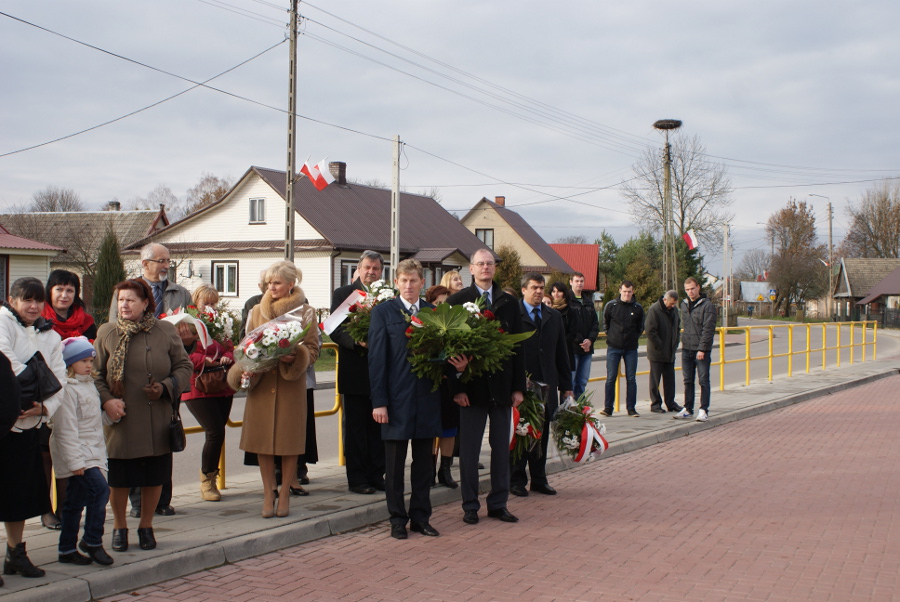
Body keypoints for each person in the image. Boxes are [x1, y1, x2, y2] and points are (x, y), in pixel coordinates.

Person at [369, 259, 468, 539]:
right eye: (404, 281)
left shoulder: (434, 313)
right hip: (396, 401)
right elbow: (376, 361)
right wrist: (379, 402)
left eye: (414, 281)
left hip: (428, 400)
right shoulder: (384, 313)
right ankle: (397, 520)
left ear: (422, 283)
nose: (409, 286)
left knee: (425, 464)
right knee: (395, 465)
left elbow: (442, 357)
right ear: (396, 283)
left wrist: (457, 367)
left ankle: (420, 517)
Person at [94, 278, 192, 552]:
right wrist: (107, 401)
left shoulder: (164, 331)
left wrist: (165, 387)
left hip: (155, 417)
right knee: (120, 479)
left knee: (153, 476)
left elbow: (184, 366)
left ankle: (146, 526)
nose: (124, 305)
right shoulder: (107, 332)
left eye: (130, 300)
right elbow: (95, 374)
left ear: (146, 303)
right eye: (121, 300)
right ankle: (119, 527)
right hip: (121, 419)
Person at [226, 260, 319, 518]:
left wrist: (295, 356)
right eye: (269, 282)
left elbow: (313, 351)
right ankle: (269, 493)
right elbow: (246, 345)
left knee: (289, 443)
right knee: (262, 442)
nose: (271, 287)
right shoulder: (256, 310)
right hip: (262, 383)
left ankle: (286, 493)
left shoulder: (307, 313)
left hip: (290, 387)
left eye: (277, 282)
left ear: (291, 284)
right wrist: (247, 365)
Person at [112, 243, 191, 518]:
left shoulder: (179, 292)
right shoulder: (127, 291)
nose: (166, 265)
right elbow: (116, 332)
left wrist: (189, 336)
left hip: (166, 378)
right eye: (161, 260)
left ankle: (162, 500)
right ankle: (137, 503)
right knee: (132, 447)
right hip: (132, 384)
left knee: (163, 440)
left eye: (169, 260)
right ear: (145, 264)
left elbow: (188, 346)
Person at [447, 248, 526, 525]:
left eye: (489, 264)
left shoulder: (509, 302)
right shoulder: (458, 301)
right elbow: (448, 349)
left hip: (502, 388)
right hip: (470, 389)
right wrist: (456, 389)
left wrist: (518, 388)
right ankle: (470, 505)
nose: (485, 268)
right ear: (471, 269)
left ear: (495, 268)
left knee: (500, 449)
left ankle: (498, 503)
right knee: (469, 451)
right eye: (480, 264)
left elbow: (517, 348)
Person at [0, 277, 67, 580]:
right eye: (26, 299)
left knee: (21, 495)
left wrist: (45, 407)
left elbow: (61, 380)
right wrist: (35, 390)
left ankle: (16, 554)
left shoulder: (51, 336)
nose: (33, 306)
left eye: (38, 300)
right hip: (2, 422)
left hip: (29, 424)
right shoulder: (2, 322)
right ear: (11, 300)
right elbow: (7, 363)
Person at [49, 337, 114, 566]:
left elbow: (92, 419)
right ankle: (92, 540)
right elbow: (65, 429)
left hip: (92, 450)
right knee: (100, 491)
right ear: (70, 363)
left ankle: (66, 549)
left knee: (75, 502)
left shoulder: (88, 385)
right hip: (79, 455)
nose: (89, 365)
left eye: (90, 360)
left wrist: (109, 416)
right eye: (83, 360)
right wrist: (75, 462)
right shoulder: (66, 390)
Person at [40, 269, 96, 530]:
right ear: (49, 291)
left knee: (70, 455)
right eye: (59, 289)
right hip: (45, 394)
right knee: (45, 456)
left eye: (70, 290)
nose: (64, 295)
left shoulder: (86, 321)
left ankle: (66, 509)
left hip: (75, 395)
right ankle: (45, 509)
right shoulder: (39, 320)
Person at [330, 250, 387, 495]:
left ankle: (377, 475)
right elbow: (333, 329)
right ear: (359, 268)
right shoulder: (345, 294)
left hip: (382, 373)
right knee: (355, 429)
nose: (371, 272)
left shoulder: (387, 296)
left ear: (381, 271)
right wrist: (356, 342)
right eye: (367, 267)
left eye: (376, 268)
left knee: (379, 427)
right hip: (355, 370)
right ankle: (357, 479)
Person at [511, 274, 572, 497]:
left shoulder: (553, 316)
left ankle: (539, 479)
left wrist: (566, 385)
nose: (538, 291)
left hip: (547, 384)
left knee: (541, 433)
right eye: (534, 287)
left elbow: (561, 352)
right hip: (522, 384)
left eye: (541, 288)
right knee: (521, 431)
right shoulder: (513, 315)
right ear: (524, 290)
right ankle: (516, 479)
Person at [181, 285, 234, 502]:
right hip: (199, 385)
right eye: (206, 302)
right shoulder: (186, 322)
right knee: (214, 431)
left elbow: (229, 344)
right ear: (197, 302)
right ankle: (207, 480)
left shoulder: (219, 322)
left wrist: (228, 355)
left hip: (221, 383)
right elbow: (182, 352)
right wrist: (205, 360)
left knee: (218, 431)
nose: (210, 307)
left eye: (214, 303)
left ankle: (211, 477)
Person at [424, 285, 458, 489]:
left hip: (449, 383)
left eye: (445, 304)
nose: (441, 308)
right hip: (429, 382)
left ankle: (445, 470)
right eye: (437, 304)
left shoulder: (455, 325)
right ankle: (428, 471)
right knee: (430, 428)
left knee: (449, 427)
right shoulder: (424, 324)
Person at [674, 277, 718, 422]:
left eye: (692, 288)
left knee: (703, 380)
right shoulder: (684, 304)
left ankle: (704, 410)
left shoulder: (707, 306)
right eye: (687, 290)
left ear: (698, 287)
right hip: (687, 348)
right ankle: (687, 408)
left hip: (701, 350)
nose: (690, 292)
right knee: (688, 380)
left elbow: (708, 329)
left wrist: (702, 349)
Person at [602, 281, 645, 417]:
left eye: (629, 291)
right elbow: (606, 324)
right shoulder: (611, 306)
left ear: (633, 292)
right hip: (613, 347)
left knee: (631, 379)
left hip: (631, 348)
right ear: (620, 291)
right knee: (611, 378)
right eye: (625, 291)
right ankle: (608, 408)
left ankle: (631, 408)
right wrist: (612, 336)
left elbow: (640, 327)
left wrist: (633, 338)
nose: (627, 294)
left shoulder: (638, 308)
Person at [645, 291, 684, 414]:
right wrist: (660, 345)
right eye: (671, 303)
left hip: (670, 351)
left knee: (670, 379)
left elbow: (677, 328)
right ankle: (655, 404)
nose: (673, 306)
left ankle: (671, 403)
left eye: (674, 304)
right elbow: (650, 330)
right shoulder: (654, 310)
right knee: (655, 379)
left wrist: (676, 342)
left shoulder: (674, 311)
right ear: (665, 300)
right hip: (657, 352)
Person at [569, 272, 599, 399]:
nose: (579, 283)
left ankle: (580, 410)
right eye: (577, 281)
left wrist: (590, 341)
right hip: (573, 349)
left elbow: (595, 325)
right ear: (571, 282)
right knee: (571, 382)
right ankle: (568, 410)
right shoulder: (568, 301)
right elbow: (568, 326)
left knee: (582, 382)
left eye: (581, 281)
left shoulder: (588, 303)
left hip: (587, 350)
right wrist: (581, 341)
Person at [549, 281, 582, 377]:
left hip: (566, 351)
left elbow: (573, 332)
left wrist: (560, 343)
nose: (556, 294)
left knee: (567, 384)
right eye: (553, 291)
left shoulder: (571, 311)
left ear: (564, 293)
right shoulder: (547, 310)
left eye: (559, 291)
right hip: (550, 352)